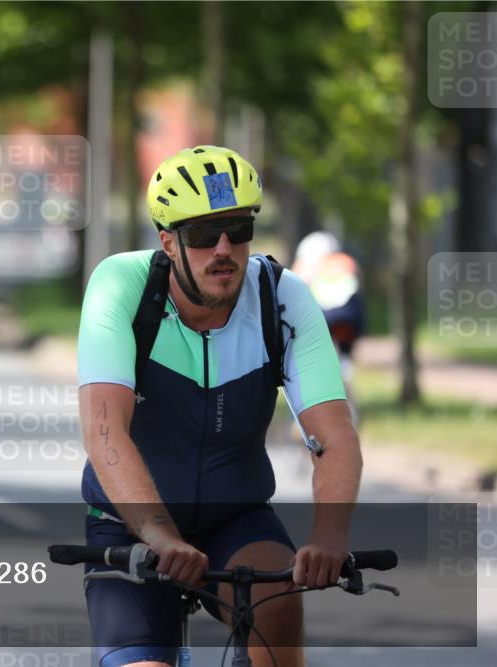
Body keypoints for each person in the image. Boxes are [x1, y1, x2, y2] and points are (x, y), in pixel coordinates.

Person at [77, 146, 362, 667]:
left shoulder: (283, 298)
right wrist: (160, 533)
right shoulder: (122, 285)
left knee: (276, 611)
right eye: (203, 235)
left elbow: (335, 436)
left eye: (237, 228)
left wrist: (328, 536)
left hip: (237, 516)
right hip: (130, 523)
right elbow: (103, 431)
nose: (224, 248)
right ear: (169, 242)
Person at [291, 231, 365, 385]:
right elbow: (359, 284)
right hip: (351, 318)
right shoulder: (346, 261)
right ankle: (345, 362)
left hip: (322, 317)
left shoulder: (305, 266)